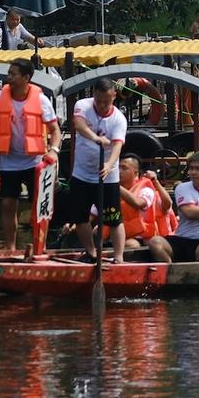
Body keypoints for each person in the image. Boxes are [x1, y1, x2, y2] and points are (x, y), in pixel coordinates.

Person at [0, 58, 62, 251]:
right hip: (9, 161)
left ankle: (39, 246)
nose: (8, 77)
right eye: (8, 73)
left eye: (13, 74)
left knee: (39, 205)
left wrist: (54, 150)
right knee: (8, 203)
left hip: (36, 161)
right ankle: (10, 247)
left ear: (26, 78)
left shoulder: (41, 100)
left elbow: (55, 130)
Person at [66, 78, 128, 261]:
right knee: (80, 217)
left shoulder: (119, 119)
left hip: (107, 176)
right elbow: (79, 125)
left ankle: (119, 257)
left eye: (106, 101)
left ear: (114, 96)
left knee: (114, 218)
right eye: (99, 100)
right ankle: (92, 252)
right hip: (82, 173)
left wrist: (109, 165)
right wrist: (95, 138)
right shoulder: (83, 105)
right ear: (94, 95)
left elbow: (117, 146)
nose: (102, 105)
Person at [116, 154, 175, 249]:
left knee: (131, 244)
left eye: (124, 168)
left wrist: (114, 184)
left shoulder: (146, 189)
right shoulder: (111, 190)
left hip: (144, 236)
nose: (119, 171)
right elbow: (94, 213)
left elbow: (138, 203)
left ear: (136, 173)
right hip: (119, 234)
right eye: (118, 167)